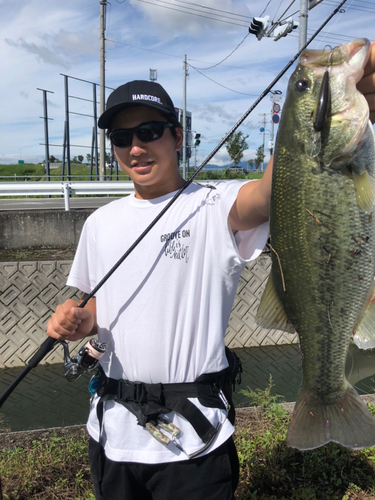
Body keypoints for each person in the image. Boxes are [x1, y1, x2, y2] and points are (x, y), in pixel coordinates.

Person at [47, 43, 375, 500]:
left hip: (194, 439)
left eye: (150, 131)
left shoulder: (215, 204)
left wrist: (323, 112)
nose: (136, 147)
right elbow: (98, 306)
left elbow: (272, 192)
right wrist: (77, 319)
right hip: (112, 434)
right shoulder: (99, 223)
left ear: (177, 137)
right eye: (122, 138)